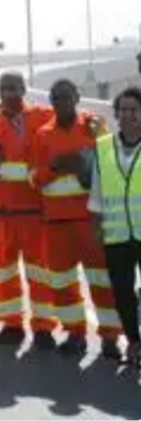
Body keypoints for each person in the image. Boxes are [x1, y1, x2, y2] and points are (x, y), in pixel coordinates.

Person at [29, 78, 121, 357]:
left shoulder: (94, 127)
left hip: (90, 221)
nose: (60, 102)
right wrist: (57, 165)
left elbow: (111, 167)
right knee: (62, 283)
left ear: (77, 97)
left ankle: (110, 338)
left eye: (66, 96)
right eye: (55, 97)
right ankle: (75, 334)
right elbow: (33, 178)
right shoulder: (43, 134)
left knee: (102, 282)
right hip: (56, 224)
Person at [0, 72, 57, 348]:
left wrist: (93, 123)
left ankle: (43, 328)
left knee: (40, 274)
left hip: (35, 213)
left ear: (23, 89)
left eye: (14, 88)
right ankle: (11, 325)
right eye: (3, 88)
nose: (8, 93)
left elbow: (75, 125)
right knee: (2, 274)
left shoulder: (45, 118)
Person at [89, 86, 141, 366]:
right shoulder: (103, 146)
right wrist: (96, 228)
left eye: (134, 109)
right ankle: (134, 342)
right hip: (116, 234)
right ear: (116, 115)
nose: (128, 115)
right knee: (122, 293)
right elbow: (97, 191)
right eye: (123, 110)